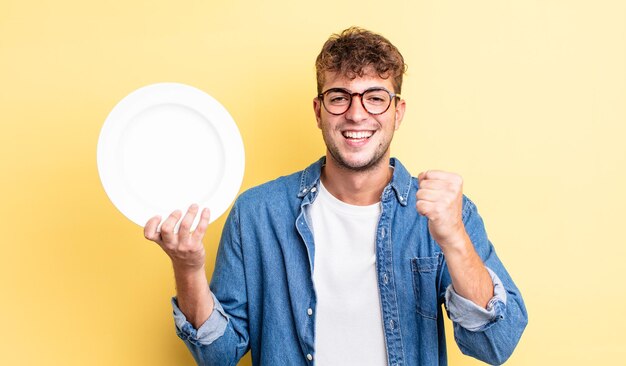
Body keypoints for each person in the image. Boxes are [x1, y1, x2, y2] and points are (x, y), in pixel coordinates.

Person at [144, 27, 527, 366]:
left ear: (398, 112)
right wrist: (188, 269)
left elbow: (497, 345)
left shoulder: (444, 214)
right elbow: (219, 355)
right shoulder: (257, 214)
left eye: (375, 98)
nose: (356, 114)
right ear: (318, 110)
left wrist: (455, 240)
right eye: (339, 97)